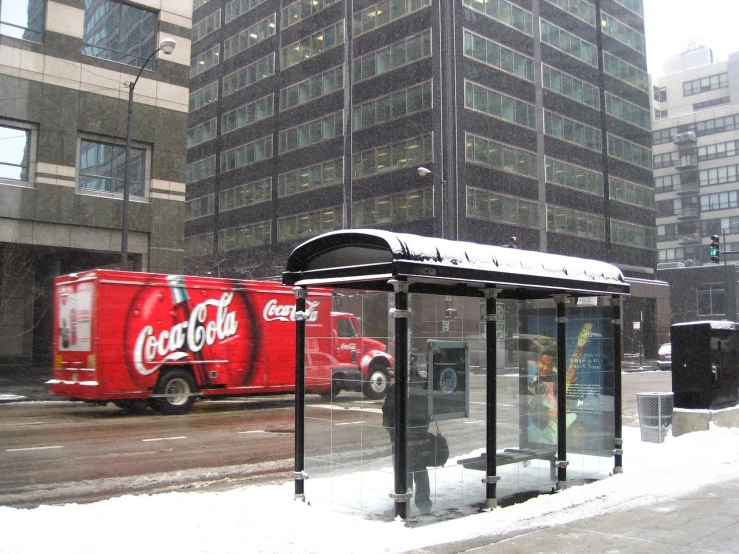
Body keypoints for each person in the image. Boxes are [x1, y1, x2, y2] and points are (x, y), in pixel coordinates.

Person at [382, 375, 432, 514]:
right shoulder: (422, 385)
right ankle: (424, 504)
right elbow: (430, 410)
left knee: (403, 471)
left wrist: (392, 431)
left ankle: (403, 505)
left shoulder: (396, 388)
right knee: (421, 470)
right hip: (420, 436)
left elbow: (387, 411)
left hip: (401, 440)